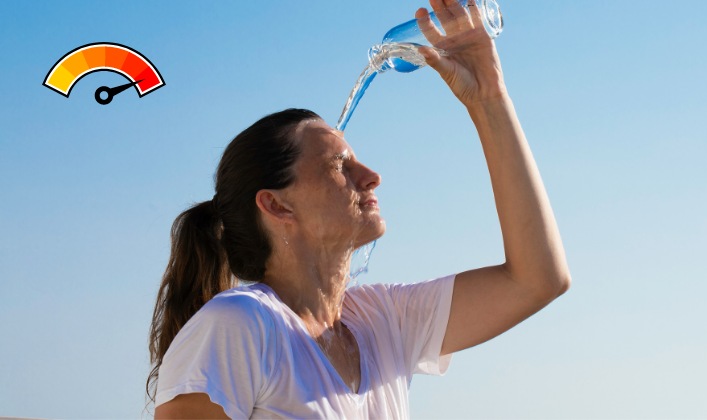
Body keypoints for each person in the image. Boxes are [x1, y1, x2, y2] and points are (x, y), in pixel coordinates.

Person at [148, 0, 571, 418]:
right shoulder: (241, 325)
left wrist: (489, 98)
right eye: (339, 166)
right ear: (277, 205)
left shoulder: (383, 322)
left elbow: (537, 279)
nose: (371, 176)